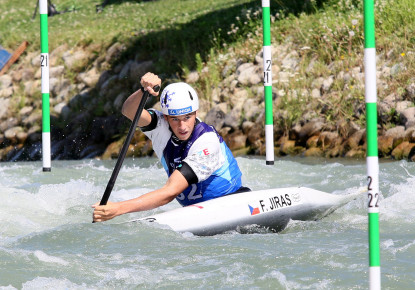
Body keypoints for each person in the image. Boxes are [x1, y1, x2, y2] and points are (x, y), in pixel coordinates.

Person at [92, 72, 249, 222]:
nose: (182, 126)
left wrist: (118, 209)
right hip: (195, 212)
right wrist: (143, 90)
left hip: (232, 203)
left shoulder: (207, 143)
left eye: (187, 117)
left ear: (196, 112)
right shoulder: (160, 126)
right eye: (175, 119)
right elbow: (129, 111)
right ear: (166, 117)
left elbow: (170, 191)